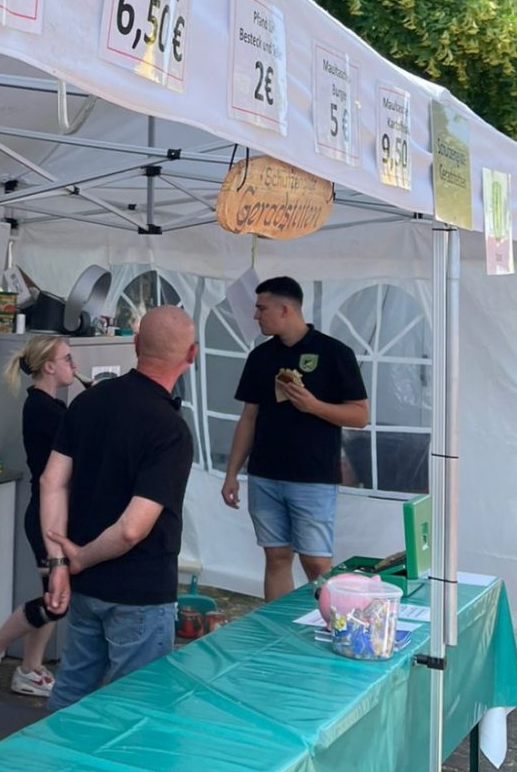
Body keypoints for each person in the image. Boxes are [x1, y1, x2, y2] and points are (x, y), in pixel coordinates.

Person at [38, 305, 197, 710]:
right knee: (136, 709)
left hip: (88, 589)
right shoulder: (170, 429)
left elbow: (51, 482)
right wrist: (79, 559)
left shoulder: (89, 401)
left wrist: (60, 563)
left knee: (71, 693)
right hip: (139, 590)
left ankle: (51, 754)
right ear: (192, 355)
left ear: (136, 344)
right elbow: (131, 529)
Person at [221, 277, 368, 601]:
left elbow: (360, 415)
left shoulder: (334, 353)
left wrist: (314, 406)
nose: (256, 316)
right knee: (276, 557)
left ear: (285, 309)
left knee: (316, 562)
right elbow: (248, 417)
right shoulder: (260, 357)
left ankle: (331, 621)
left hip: (313, 477)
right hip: (264, 475)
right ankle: (278, 627)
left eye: (262, 309)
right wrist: (232, 473)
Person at [0, 335, 77, 699]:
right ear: (49, 366)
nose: (73, 365)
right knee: (57, 599)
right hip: (47, 516)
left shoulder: (51, 407)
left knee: (54, 595)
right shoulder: (44, 410)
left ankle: (30, 669)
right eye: (67, 358)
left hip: (56, 512)